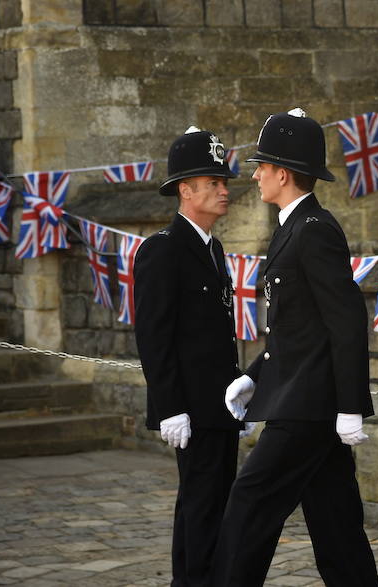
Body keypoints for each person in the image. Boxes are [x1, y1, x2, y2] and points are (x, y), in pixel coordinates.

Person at [213, 108, 378, 586]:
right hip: (301, 396)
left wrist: (351, 405)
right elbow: (295, 329)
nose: (256, 173)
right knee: (336, 525)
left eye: (262, 165)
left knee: (248, 504)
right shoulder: (292, 227)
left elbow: (346, 322)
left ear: (282, 174)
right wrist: (253, 375)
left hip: (308, 407)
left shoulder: (315, 230)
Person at [133, 126, 242, 587]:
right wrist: (170, 408)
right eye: (213, 183)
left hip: (220, 407)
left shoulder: (212, 248)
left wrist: (240, 391)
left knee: (216, 508)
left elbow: (217, 334)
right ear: (185, 189)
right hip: (191, 411)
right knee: (199, 509)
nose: (224, 190)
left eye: (224, 182)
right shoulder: (162, 250)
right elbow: (154, 338)